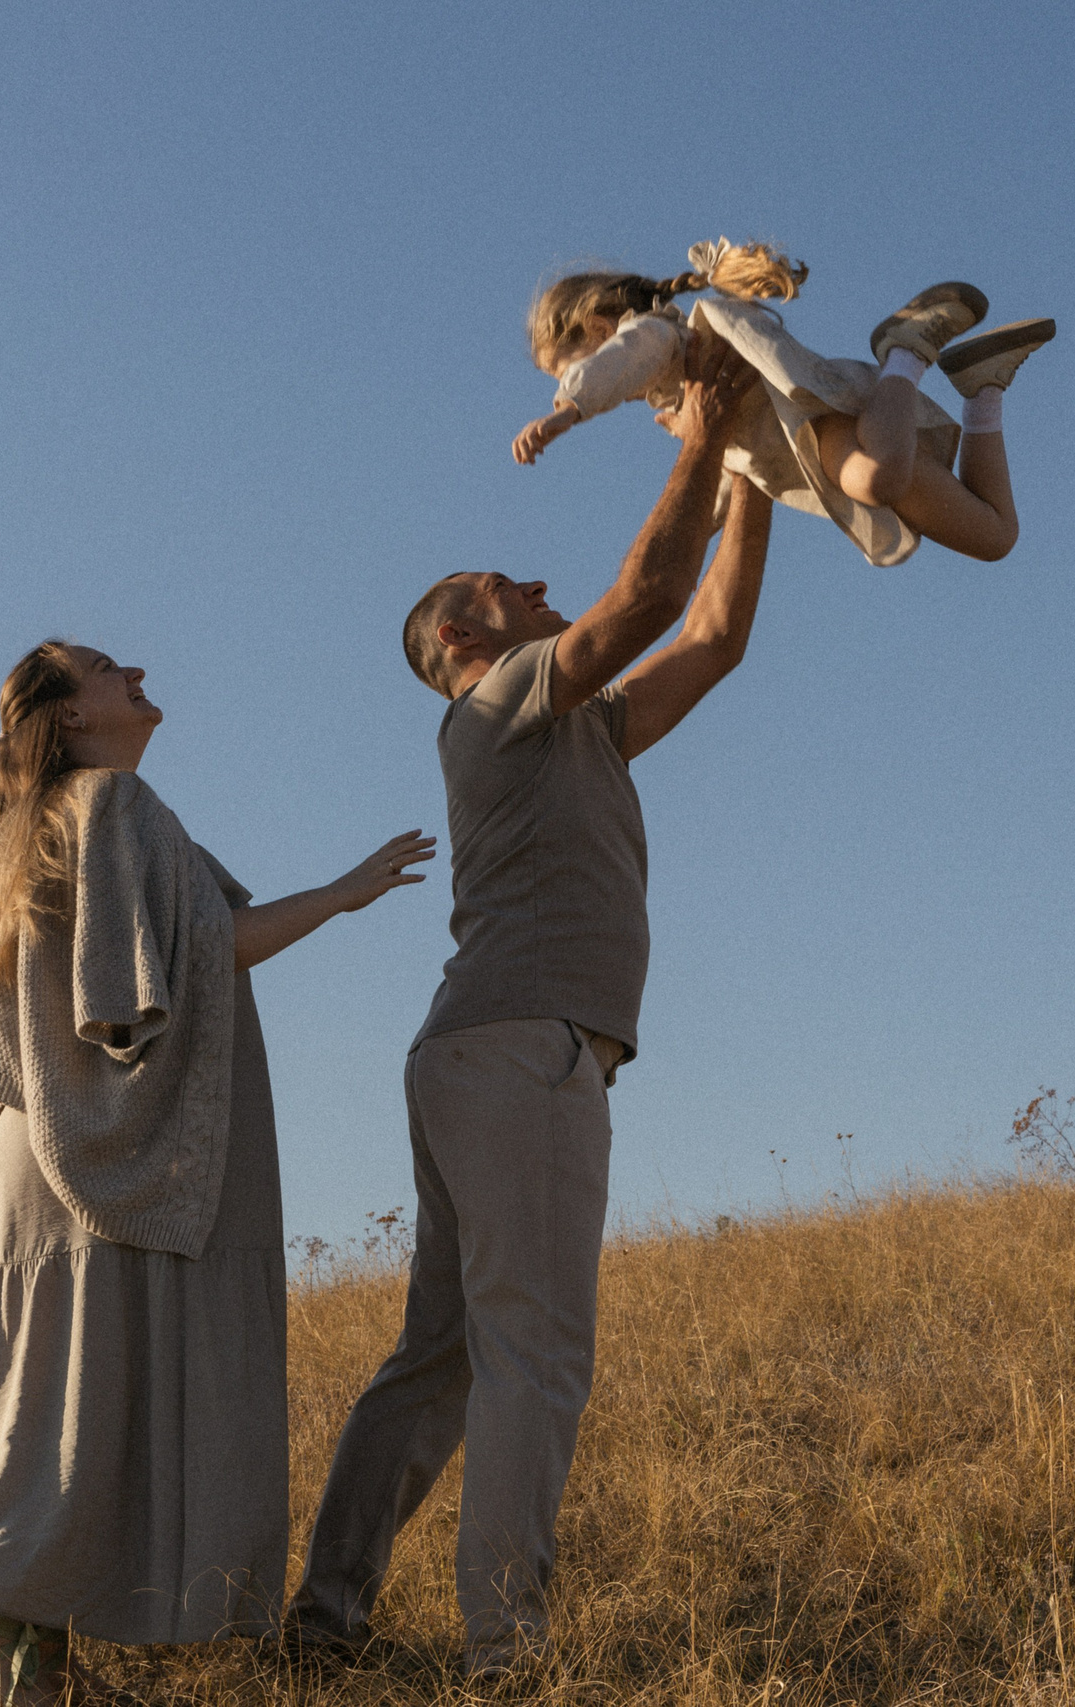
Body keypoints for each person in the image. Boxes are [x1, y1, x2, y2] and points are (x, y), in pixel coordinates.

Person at [288, 326, 773, 1677]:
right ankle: (506, 1653)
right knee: (537, 1354)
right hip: (519, 1052)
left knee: (442, 1357)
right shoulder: (497, 702)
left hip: (477, 1051)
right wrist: (703, 433)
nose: (541, 587)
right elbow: (648, 593)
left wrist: (752, 468)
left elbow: (713, 633)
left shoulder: (580, 726)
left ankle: (325, 1622)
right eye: (509, 585)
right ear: (463, 636)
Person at [0, 638, 434, 1705]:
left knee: (35, 1408)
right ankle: (20, 1673)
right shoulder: (112, 801)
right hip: (90, 1158)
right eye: (109, 668)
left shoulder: (29, 826)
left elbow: (192, 946)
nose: (138, 672)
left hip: (27, 1161)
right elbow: (195, 960)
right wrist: (342, 894)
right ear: (70, 715)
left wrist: (341, 893)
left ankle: (12, 1664)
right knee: (78, 1403)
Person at [513, 236, 1053, 568]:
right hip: (846, 433)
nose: (576, 378)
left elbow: (618, 361)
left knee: (878, 480)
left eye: (568, 367)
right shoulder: (686, 400)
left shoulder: (661, 339)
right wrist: (690, 543)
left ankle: (906, 349)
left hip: (817, 422)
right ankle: (984, 385)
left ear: (599, 329)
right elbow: (726, 475)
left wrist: (567, 409)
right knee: (993, 536)